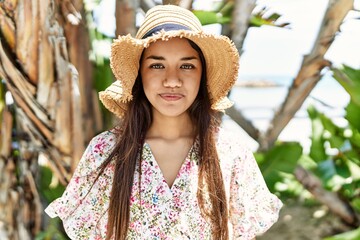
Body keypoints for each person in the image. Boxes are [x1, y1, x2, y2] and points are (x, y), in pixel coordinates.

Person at [45, 4, 282, 240]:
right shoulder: (105, 150)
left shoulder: (230, 152)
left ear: (203, 75)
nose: (172, 80)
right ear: (140, 75)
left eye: (187, 66)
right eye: (157, 65)